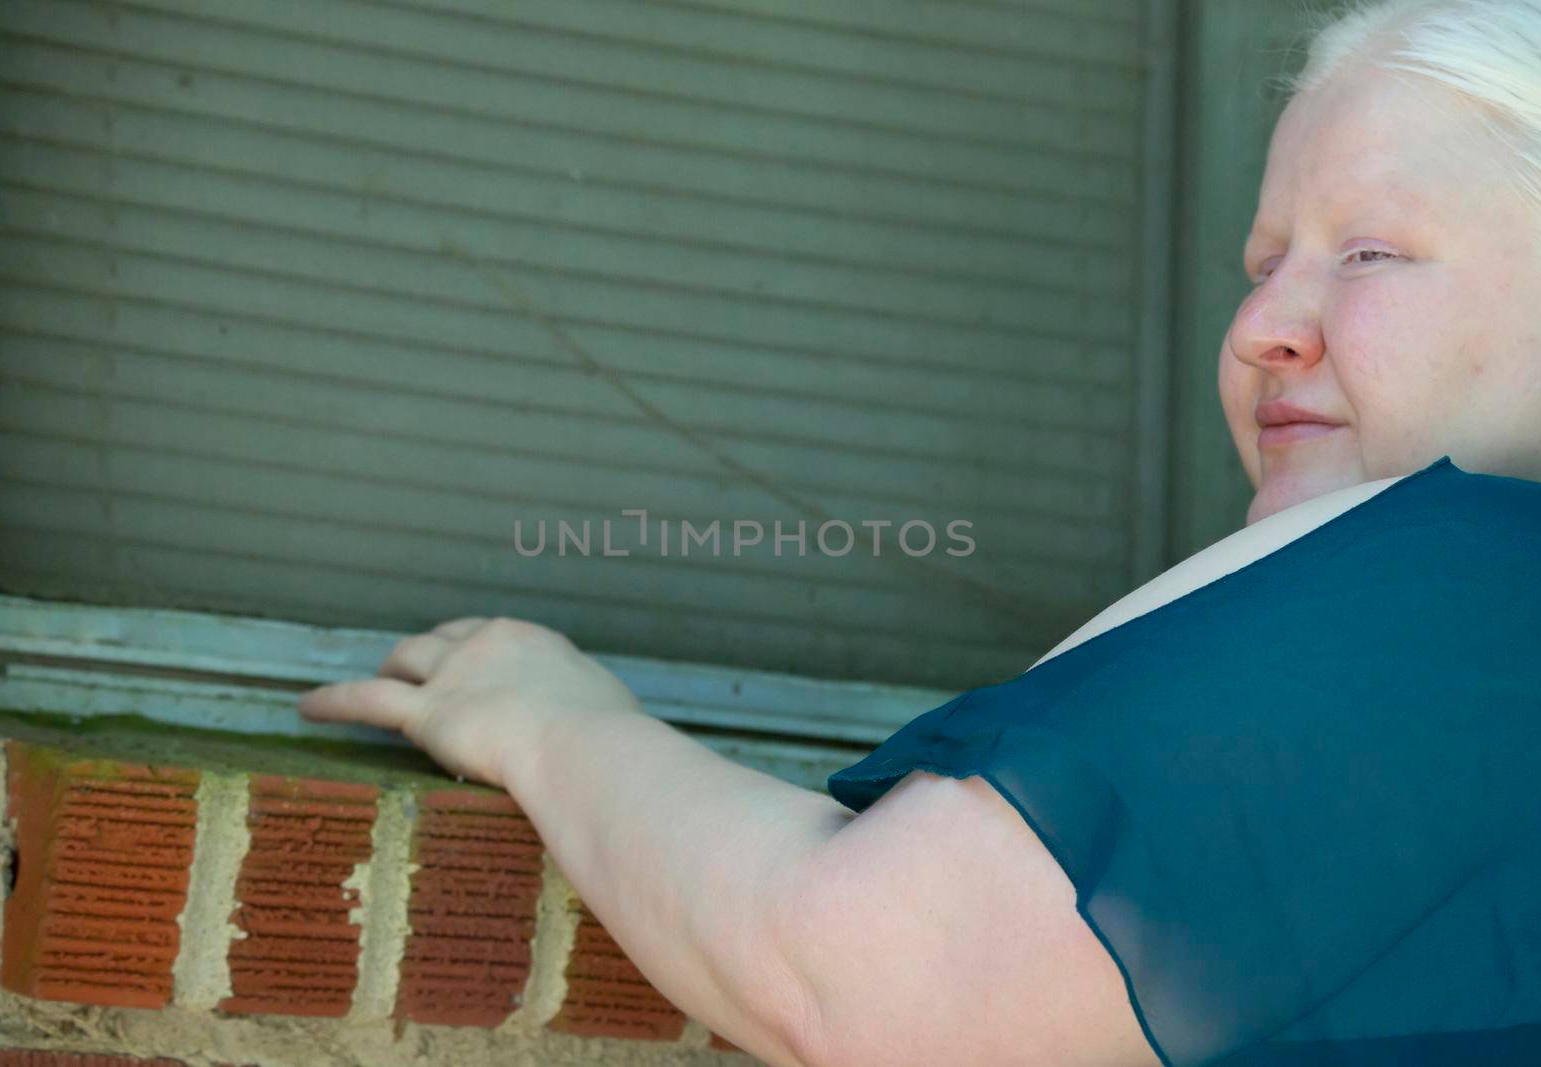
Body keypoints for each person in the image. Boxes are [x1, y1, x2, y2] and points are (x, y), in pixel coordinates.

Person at [296, 1, 1541, 1063]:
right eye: (1262, 263)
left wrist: (547, 719)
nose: (1262, 324)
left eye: (1368, 251)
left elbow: (871, 976)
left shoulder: (1474, 577)